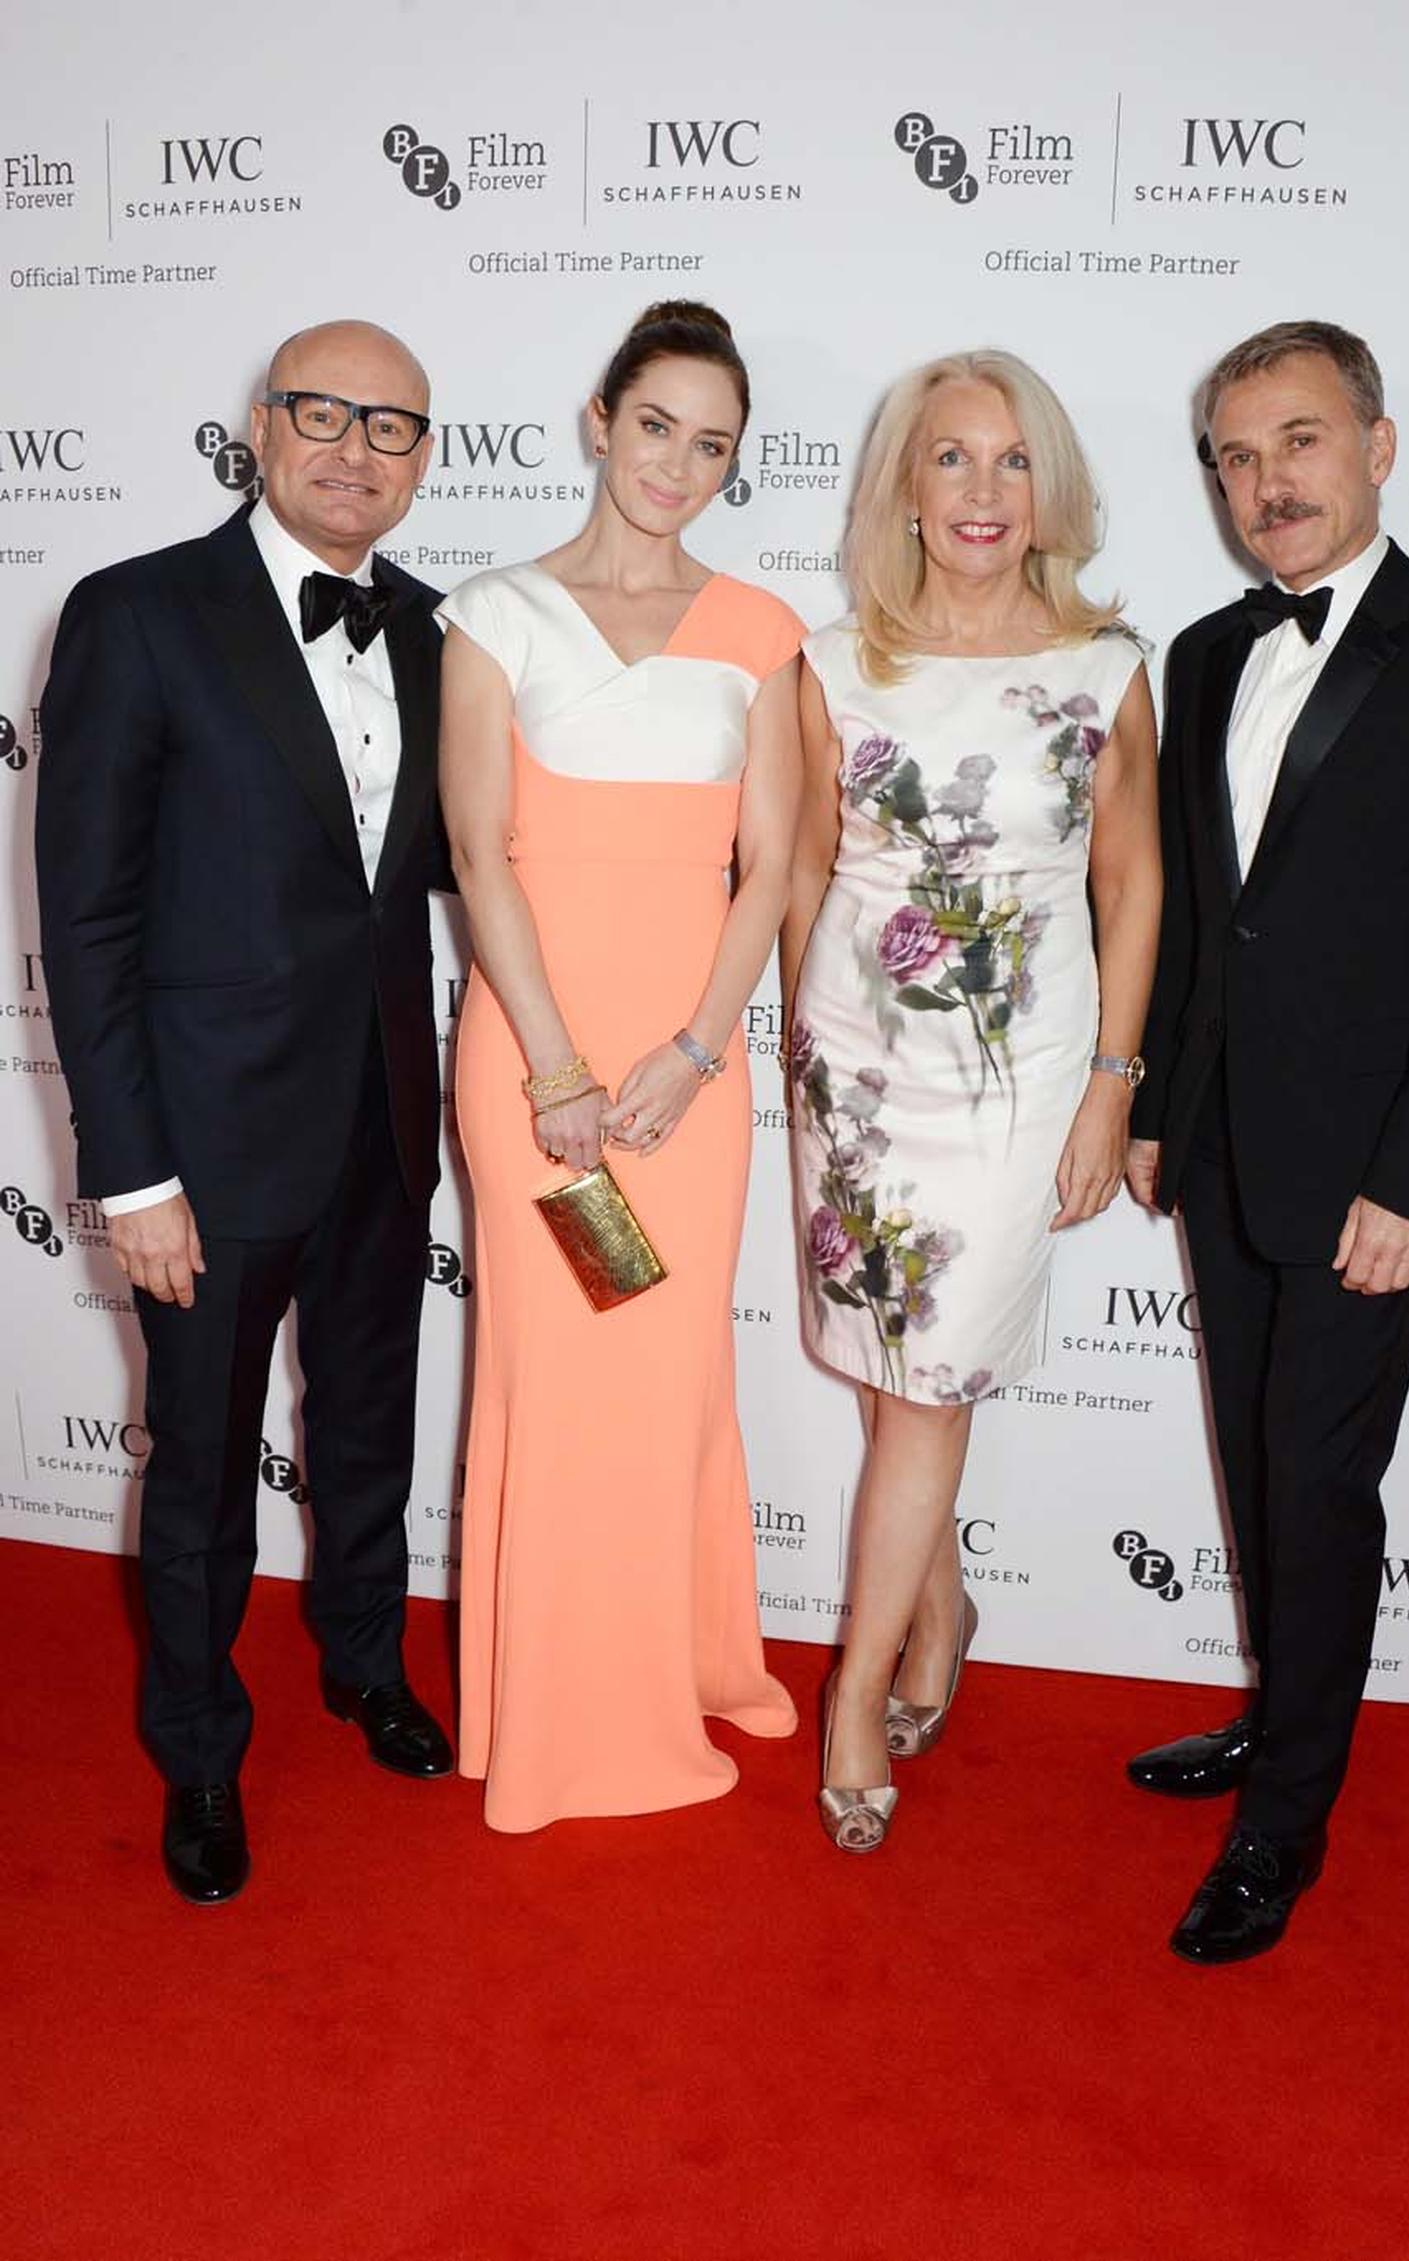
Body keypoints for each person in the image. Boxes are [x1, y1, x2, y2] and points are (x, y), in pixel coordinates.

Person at [1126, 320, 1409, 1963]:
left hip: (1370, 1177)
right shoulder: (1213, 653)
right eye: (1234, 454)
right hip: (1222, 1147)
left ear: (1375, 447)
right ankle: (1278, 1715)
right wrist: (1157, 1103)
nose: (1264, 482)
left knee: (1318, 1483)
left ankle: (1284, 1823)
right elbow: (1192, 917)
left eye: (1297, 442)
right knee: (1255, 1466)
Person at [36, 321, 454, 1906]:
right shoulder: (139, 614)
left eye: (395, 427)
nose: (356, 448)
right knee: (202, 1458)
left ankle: (363, 1661)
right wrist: (127, 1165)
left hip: (379, 1121)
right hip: (201, 1144)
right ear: (262, 427)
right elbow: (87, 919)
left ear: (425, 459)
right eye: (324, 414)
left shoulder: (436, 633)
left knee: (367, 1426)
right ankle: (200, 1745)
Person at [782, 350, 1160, 1852]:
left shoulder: (1104, 665)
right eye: (953, 460)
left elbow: (1131, 888)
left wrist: (1110, 1082)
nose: (985, 493)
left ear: (1048, 486)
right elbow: (802, 869)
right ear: (906, 486)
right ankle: (941, 1602)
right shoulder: (828, 664)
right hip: (856, 1070)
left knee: (930, 1379)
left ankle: (854, 1689)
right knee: (894, 1380)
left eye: (1013, 463)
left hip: (1020, 1076)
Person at [437, 300, 801, 1833]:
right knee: (559, 1365)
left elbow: (772, 866)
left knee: (664, 1369)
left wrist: (697, 1051)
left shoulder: (762, 630)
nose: (678, 464)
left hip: (689, 1077)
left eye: (711, 442)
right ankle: (562, 1722)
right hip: (539, 1066)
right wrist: (559, 1073)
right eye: (656, 425)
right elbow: (480, 852)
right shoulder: (493, 614)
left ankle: (686, 1658)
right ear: (600, 419)